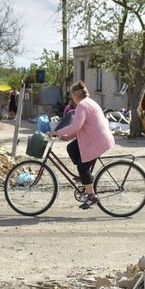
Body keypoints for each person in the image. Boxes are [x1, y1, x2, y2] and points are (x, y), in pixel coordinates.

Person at [51, 81, 115, 209]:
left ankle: (91, 196)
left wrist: (57, 132)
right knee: (71, 148)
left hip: (97, 141)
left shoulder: (82, 105)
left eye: (72, 95)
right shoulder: (89, 102)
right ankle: (85, 179)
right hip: (96, 138)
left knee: (82, 167)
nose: (71, 98)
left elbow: (76, 126)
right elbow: (80, 128)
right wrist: (66, 137)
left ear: (75, 95)